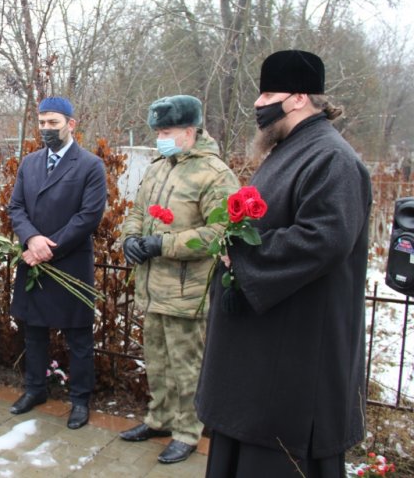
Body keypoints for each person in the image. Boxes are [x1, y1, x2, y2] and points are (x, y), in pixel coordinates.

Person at [196, 50, 372, 477]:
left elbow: (325, 239)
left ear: (298, 97)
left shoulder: (332, 157)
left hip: (291, 368)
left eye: (268, 93)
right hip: (261, 363)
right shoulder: (292, 149)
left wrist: (240, 254)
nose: (258, 104)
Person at [118, 95, 240, 464]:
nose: (160, 138)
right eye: (157, 131)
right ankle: (159, 419)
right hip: (153, 287)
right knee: (156, 361)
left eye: (166, 131)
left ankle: (188, 432)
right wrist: (131, 239)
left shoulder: (215, 174)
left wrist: (163, 244)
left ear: (190, 132)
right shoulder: (158, 167)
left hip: (188, 291)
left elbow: (222, 231)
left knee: (187, 367)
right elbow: (137, 210)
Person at [7, 96, 107, 430]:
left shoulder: (90, 165)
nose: (47, 129)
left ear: (71, 124)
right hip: (33, 262)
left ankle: (80, 399)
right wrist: (32, 240)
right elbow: (15, 207)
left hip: (69, 264)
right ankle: (35, 388)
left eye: (54, 123)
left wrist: (48, 247)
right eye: (42, 123)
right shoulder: (30, 163)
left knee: (78, 339)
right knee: (33, 332)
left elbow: (89, 216)